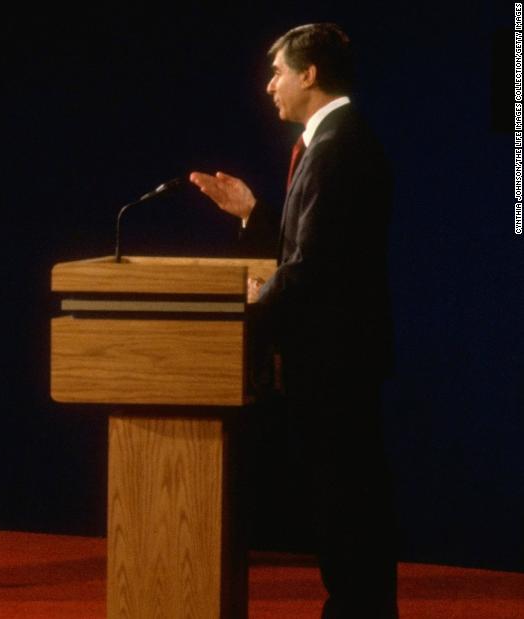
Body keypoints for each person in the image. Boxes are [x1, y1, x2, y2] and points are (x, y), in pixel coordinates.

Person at [189, 24, 398, 618]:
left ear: (309, 75)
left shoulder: (339, 146)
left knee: (346, 502)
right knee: (344, 499)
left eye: (278, 71)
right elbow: (315, 246)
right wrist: (256, 214)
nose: (268, 84)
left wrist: (257, 304)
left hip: (336, 359)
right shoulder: (331, 141)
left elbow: (316, 266)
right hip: (336, 355)